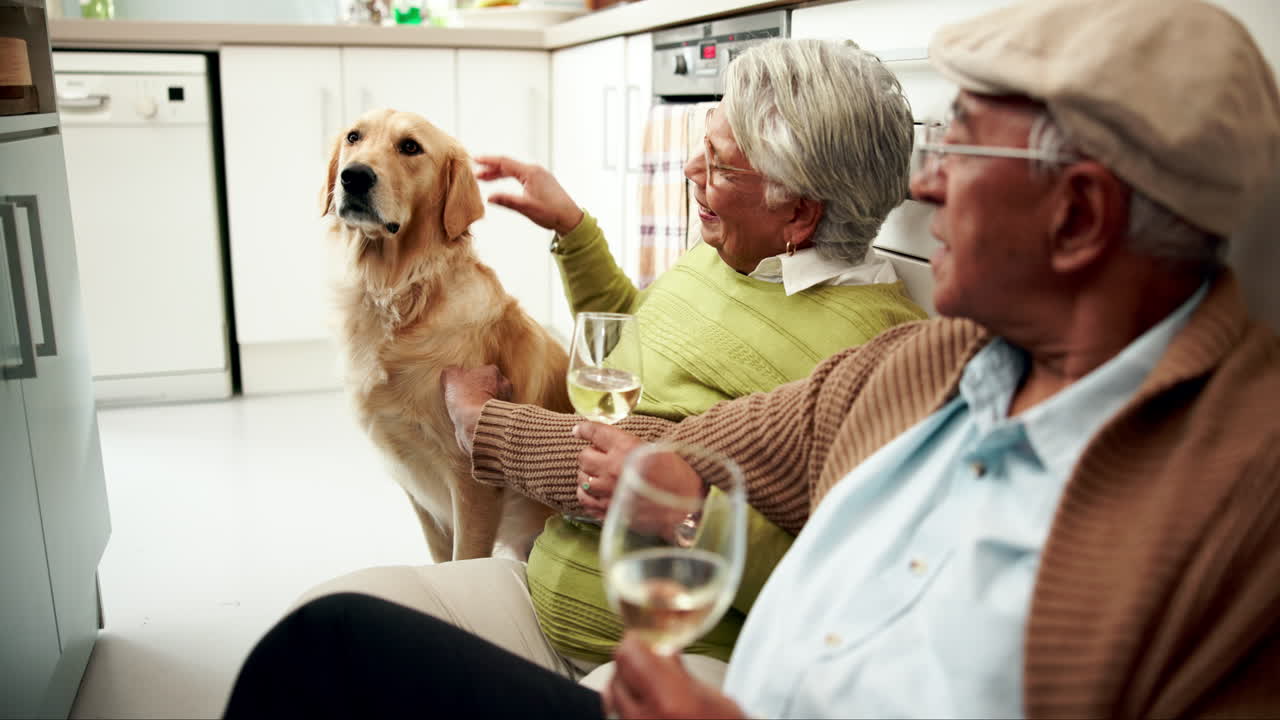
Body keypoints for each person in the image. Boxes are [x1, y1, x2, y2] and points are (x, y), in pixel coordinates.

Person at [224, 0, 1280, 717]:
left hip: (673, 669)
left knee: (326, 666)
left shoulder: (1231, 510)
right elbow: (654, 446)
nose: (925, 187)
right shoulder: (917, 366)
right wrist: (612, 412)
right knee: (317, 646)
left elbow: (674, 490)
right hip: (659, 661)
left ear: (1078, 216)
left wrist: (493, 429)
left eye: (958, 149)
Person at [280, 36, 923, 684]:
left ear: (800, 213)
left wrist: (691, 515)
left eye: (721, 166)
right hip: (542, 582)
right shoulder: (735, 253)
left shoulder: (876, 355)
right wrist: (571, 229)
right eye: (703, 145)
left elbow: (846, 582)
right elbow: (637, 341)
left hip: (666, 653)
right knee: (317, 632)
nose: (690, 172)